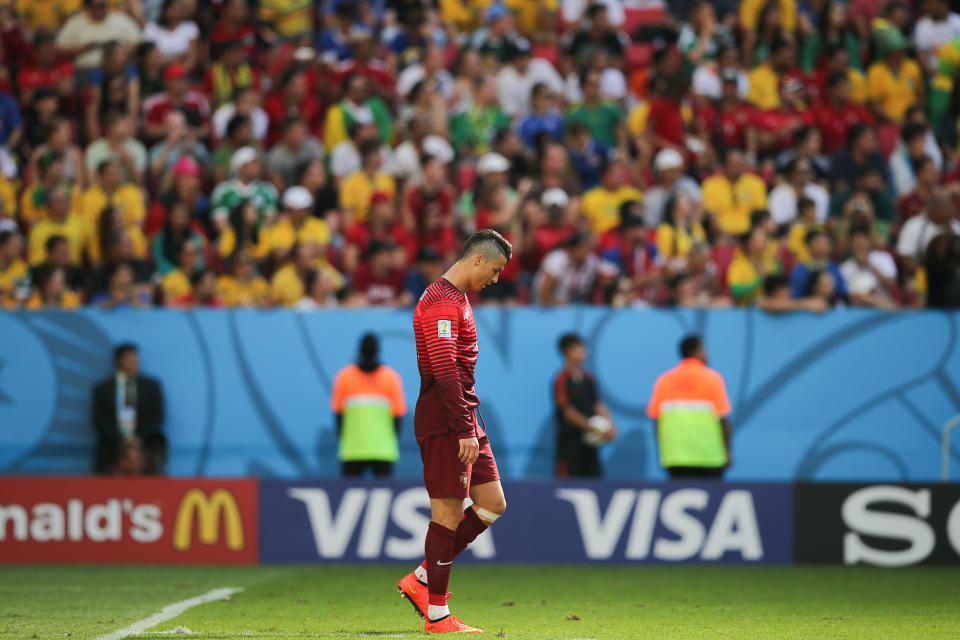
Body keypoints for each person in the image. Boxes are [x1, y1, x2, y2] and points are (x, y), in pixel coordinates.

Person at [396, 229, 511, 634]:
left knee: (492, 503)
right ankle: (438, 616)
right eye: (495, 269)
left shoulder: (455, 298)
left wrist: (468, 423)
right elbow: (444, 369)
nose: (495, 279)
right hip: (448, 420)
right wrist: (463, 427)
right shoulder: (442, 302)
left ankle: (423, 578)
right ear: (478, 259)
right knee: (446, 515)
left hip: (463, 417)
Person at [646, 335, 732, 479]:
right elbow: (722, 420)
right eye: (704, 349)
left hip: (675, 456)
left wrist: (662, 453)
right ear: (697, 351)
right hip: (709, 456)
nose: (706, 353)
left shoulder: (665, 380)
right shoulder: (712, 379)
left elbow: (657, 422)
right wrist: (727, 451)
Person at [331, 334, 408, 478]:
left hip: (352, 449)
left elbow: (338, 416)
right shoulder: (391, 378)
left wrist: (343, 439)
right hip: (382, 449)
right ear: (378, 351)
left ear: (359, 350)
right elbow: (397, 417)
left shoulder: (344, 377)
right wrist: (392, 441)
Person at [91, 343, 166, 475]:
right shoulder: (103, 389)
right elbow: (100, 420)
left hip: (145, 442)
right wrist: (123, 440)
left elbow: (157, 417)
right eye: (130, 358)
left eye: (136, 358)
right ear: (118, 361)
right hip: (112, 443)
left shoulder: (152, 386)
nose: (135, 362)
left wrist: (137, 439)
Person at [553, 333, 616, 478]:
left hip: (591, 445)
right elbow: (567, 411)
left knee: (594, 483)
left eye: (583, 348)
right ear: (566, 352)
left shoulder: (589, 379)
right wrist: (592, 426)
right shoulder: (561, 380)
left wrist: (609, 426)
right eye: (577, 348)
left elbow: (597, 404)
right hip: (570, 446)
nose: (583, 351)